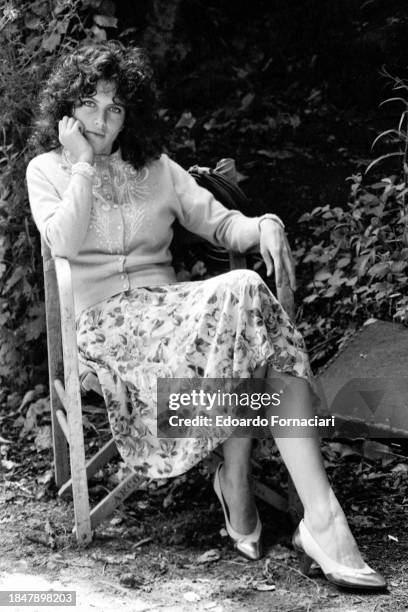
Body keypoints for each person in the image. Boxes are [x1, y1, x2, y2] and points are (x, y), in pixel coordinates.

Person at [26, 40, 385, 590]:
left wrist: (260, 224)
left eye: (115, 107)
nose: (102, 120)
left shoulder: (158, 169)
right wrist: (82, 167)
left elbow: (220, 224)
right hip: (103, 327)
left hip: (171, 315)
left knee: (244, 299)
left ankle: (321, 518)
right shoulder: (47, 171)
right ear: (67, 109)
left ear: (130, 114)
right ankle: (243, 484)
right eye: (90, 104)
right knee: (246, 310)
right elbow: (64, 245)